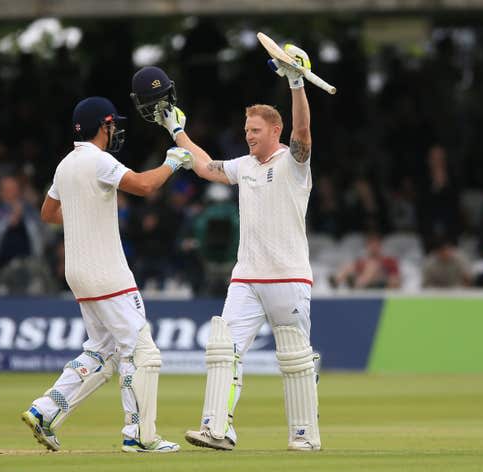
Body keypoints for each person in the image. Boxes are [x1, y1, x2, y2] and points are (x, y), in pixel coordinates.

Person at [131, 47, 321, 452]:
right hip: (247, 277)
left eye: (255, 130)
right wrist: (175, 131)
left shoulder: (293, 162)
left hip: (288, 277)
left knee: (296, 359)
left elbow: (303, 133)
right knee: (223, 349)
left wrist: (296, 82)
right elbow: (205, 166)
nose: (248, 135)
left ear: (274, 131)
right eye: (246, 129)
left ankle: (305, 435)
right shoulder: (244, 166)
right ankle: (217, 429)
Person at [21, 96, 192, 453]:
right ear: (104, 125)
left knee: (102, 351)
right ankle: (140, 435)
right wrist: (172, 163)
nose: (115, 131)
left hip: (79, 273)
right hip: (108, 272)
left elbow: (48, 213)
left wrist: (84, 215)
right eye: (113, 125)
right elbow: (144, 186)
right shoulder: (100, 161)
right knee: (142, 351)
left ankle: (44, 411)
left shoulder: (65, 165)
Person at [331, 232, 401, 289]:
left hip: (380, 283)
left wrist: (388, 284)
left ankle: (357, 284)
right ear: (367, 246)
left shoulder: (389, 260)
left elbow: (395, 279)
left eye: (375, 244)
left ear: (380, 246)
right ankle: (336, 280)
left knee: (373, 266)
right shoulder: (362, 261)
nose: (373, 247)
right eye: (371, 244)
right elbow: (352, 268)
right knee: (349, 265)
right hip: (365, 284)